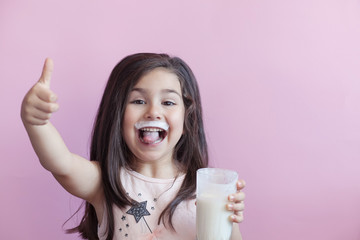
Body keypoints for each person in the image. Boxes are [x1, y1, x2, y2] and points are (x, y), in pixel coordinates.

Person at [21, 53, 246, 240]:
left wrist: (229, 220)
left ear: (187, 121)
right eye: (138, 101)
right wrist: (35, 122)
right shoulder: (104, 183)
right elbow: (61, 163)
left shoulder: (204, 192)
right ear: (117, 116)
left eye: (168, 102)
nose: (153, 111)